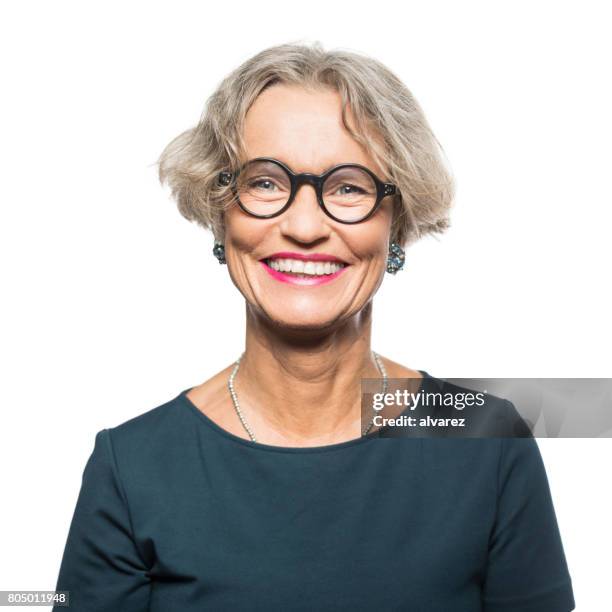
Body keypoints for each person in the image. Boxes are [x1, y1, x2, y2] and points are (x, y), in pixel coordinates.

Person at [53, 42, 575, 611]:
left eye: (349, 187)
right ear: (219, 215)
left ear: (395, 227)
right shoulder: (131, 468)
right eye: (265, 182)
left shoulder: (486, 445)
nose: (304, 226)